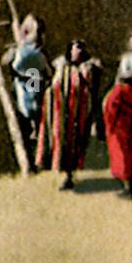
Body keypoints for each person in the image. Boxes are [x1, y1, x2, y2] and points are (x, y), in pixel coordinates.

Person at [38, 41, 102, 191]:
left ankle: (69, 177)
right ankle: (60, 174)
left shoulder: (87, 68)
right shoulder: (59, 65)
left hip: (77, 115)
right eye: (75, 50)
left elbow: (92, 89)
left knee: (74, 146)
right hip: (58, 113)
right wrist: (36, 91)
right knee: (58, 142)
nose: (77, 54)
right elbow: (40, 75)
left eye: (81, 51)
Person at [2, 15, 51, 171]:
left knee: (30, 112)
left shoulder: (27, 50)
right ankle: (36, 159)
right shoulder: (31, 50)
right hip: (30, 79)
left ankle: (35, 160)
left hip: (29, 80)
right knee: (32, 113)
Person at [102, 53, 132, 198]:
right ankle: (130, 186)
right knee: (130, 157)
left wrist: (109, 124)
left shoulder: (119, 90)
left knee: (122, 158)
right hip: (130, 128)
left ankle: (128, 189)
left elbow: (110, 108)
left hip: (119, 128)